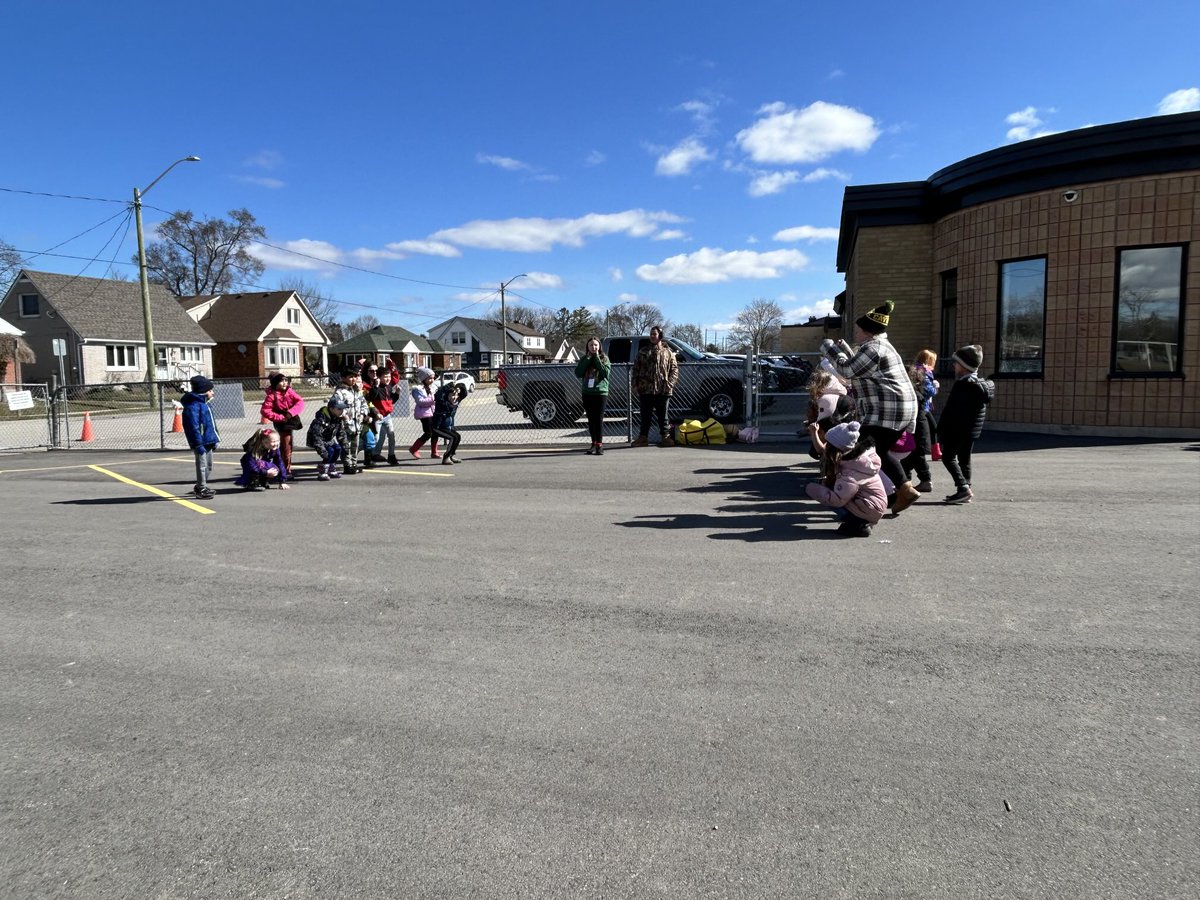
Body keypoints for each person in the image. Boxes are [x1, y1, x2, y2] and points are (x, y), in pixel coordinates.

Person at [822, 299, 920, 512]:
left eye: (858, 329)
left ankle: (875, 497)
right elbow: (858, 369)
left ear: (867, 331)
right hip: (896, 409)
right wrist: (846, 351)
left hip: (887, 411)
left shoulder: (874, 348)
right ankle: (899, 491)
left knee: (862, 452)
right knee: (877, 451)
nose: (855, 333)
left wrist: (830, 350)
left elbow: (847, 371)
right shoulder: (878, 347)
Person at [805, 420, 888, 537]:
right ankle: (856, 522)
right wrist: (814, 433)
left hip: (868, 508)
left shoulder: (851, 472)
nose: (826, 446)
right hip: (870, 505)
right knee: (830, 486)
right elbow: (822, 450)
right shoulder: (854, 458)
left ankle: (858, 524)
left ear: (835, 448)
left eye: (828, 444)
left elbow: (837, 500)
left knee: (829, 495)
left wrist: (812, 489)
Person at [937, 344, 996, 504]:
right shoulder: (980, 385)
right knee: (964, 459)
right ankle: (965, 488)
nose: (954, 365)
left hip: (958, 429)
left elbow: (951, 410)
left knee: (948, 457)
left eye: (956, 363)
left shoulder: (963, 385)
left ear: (964, 366)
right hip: (971, 430)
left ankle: (963, 487)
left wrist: (941, 429)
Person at [631, 326, 679, 447]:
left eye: (655, 334)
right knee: (645, 415)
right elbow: (636, 368)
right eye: (651, 334)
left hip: (663, 390)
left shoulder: (668, 352)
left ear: (660, 336)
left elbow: (674, 369)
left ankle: (665, 437)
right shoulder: (643, 351)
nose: (652, 336)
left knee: (663, 416)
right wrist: (635, 384)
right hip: (645, 389)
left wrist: (670, 384)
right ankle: (643, 438)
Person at [902, 349, 939, 493]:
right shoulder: (924, 373)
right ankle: (913, 481)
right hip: (921, 416)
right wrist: (935, 387)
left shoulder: (917, 373)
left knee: (913, 454)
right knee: (915, 453)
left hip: (917, 420)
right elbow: (928, 391)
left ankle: (908, 482)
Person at [180, 375, 220, 500]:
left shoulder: (205, 404)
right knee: (202, 465)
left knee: (209, 465)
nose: (212, 393)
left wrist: (215, 438)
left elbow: (211, 424)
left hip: (208, 440)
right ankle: (201, 487)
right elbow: (193, 427)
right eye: (210, 390)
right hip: (200, 442)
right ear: (203, 391)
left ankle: (201, 485)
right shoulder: (193, 406)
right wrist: (197, 444)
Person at [259, 373, 305, 477]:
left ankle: (281, 467)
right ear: (276, 383)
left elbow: (300, 402)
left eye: (286, 380)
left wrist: (290, 413)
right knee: (286, 447)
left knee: (287, 446)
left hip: (291, 421)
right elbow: (265, 411)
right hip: (282, 424)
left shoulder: (289, 392)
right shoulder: (272, 395)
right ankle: (284, 470)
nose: (285, 383)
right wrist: (280, 418)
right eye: (282, 381)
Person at [575, 336, 611, 455]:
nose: (593, 347)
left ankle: (599, 445)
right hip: (587, 393)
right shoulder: (584, 358)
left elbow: (605, 373)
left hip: (600, 393)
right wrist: (588, 359)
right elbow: (578, 373)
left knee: (598, 419)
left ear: (599, 346)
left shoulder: (604, 358)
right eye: (591, 345)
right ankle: (593, 443)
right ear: (587, 347)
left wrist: (596, 358)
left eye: (596, 345)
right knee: (591, 419)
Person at [331, 367, 369, 473]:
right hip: (345, 425)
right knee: (346, 446)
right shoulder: (340, 391)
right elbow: (335, 405)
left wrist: (363, 414)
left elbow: (363, 404)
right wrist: (344, 415)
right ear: (344, 378)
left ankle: (354, 464)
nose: (353, 379)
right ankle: (347, 466)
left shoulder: (357, 391)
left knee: (355, 445)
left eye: (355, 377)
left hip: (357, 424)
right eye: (350, 377)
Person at [305, 397, 349, 481]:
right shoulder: (321, 418)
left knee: (337, 448)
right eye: (339, 409)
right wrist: (321, 450)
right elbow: (316, 435)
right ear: (331, 409)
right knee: (329, 452)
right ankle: (322, 471)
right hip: (318, 440)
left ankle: (331, 469)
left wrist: (345, 445)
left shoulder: (338, 418)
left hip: (328, 439)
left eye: (342, 409)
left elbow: (341, 433)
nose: (342, 411)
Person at [368, 366, 402, 465]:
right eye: (385, 377)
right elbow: (372, 398)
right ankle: (369, 455)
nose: (388, 379)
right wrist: (376, 386)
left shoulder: (388, 387)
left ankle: (391, 456)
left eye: (389, 376)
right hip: (378, 417)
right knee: (376, 438)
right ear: (379, 377)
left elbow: (391, 401)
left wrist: (397, 394)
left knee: (391, 435)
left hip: (387, 416)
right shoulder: (376, 387)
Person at [431, 382, 467, 464]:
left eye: (456, 395)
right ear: (447, 396)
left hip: (447, 428)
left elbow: (464, 393)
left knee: (457, 437)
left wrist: (458, 387)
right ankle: (446, 458)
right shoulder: (442, 403)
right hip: (437, 427)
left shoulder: (455, 403)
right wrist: (450, 385)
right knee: (452, 438)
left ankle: (451, 456)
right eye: (452, 395)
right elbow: (439, 393)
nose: (454, 397)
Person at [408, 366, 439, 459]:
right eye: (429, 378)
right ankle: (414, 448)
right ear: (423, 378)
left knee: (436, 432)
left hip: (434, 412)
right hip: (424, 414)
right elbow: (420, 401)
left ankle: (434, 452)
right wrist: (433, 399)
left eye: (433, 378)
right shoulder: (417, 389)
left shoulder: (434, 387)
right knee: (428, 433)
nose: (432, 380)